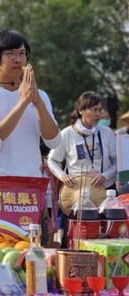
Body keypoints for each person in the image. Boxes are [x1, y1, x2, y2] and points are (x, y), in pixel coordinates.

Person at [0, 30, 62, 244]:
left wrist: (36, 101)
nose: (18, 59)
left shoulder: (41, 96)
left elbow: (54, 141)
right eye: (10, 53)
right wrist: (22, 102)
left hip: (31, 187)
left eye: (22, 53)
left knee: (32, 254)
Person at [47, 92, 117, 247]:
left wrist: (105, 176)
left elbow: (116, 163)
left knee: (104, 236)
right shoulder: (67, 134)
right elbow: (52, 160)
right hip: (75, 195)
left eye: (99, 109)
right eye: (94, 110)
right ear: (81, 110)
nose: (98, 114)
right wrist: (62, 176)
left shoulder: (106, 133)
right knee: (73, 236)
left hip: (104, 193)